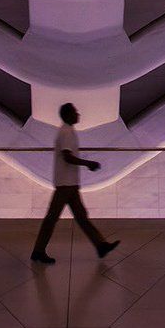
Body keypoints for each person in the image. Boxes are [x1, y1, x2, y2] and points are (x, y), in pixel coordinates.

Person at [30, 102, 120, 264]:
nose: (78, 114)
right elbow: (67, 156)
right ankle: (38, 250)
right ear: (68, 115)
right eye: (75, 112)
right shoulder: (66, 132)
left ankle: (100, 245)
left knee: (81, 217)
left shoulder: (68, 131)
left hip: (69, 184)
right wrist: (88, 163)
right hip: (65, 184)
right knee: (52, 218)